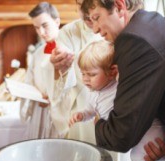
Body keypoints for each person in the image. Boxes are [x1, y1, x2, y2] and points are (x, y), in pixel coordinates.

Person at [80, 0, 165, 161]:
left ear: (119, 7)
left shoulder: (133, 40)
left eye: (97, 18)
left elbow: (120, 136)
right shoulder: (154, 21)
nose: (95, 29)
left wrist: (98, 122)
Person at [50, 0, 103, 144]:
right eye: (80, 5)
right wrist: (62, 68)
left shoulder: (112, 26)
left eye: (89, 3)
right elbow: (63, 82)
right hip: (81, 105)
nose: (86, 12)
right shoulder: (68, 32)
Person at [20, 2, 60, 139]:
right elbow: (29, 81)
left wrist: (53, 97)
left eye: (45, 25)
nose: (41, 32)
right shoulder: (37, 53)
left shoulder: (69, 49)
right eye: (37, 28)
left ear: (57, 22)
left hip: (60, 114)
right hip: (39, 112)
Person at [69, 40, 118, 128]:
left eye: (92, 74)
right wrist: (82, 115)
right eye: (83, 73)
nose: (85, 79)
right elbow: (90, 111)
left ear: (112, 72)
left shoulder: (117, 91)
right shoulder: (94, 91)